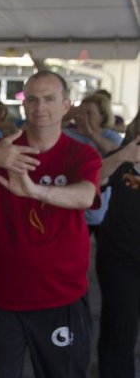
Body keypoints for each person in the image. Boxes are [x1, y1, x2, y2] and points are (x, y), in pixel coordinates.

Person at [0, 70, 102, 377]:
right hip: (1, 296)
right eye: (32, 99)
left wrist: (35, 191)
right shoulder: (0, 149)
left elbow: (85, 196)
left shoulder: (81, 154)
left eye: (49, 99)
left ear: (66, 105)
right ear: (23, 106)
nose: (40, 107)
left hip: (61, 296)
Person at [95, 109, 140, 377]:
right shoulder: (125, 154)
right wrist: (124, 155)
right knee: (119, 328)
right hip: (120, 257)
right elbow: (93, 178)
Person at [63, 93, 122, 235]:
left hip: (102, 208)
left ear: (102, 116)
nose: (83, 117)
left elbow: (115, 152)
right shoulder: (66, 134)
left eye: (89, 113)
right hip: (73, 202)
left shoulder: (111, 136)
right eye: (81, 112)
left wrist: (90, 133)